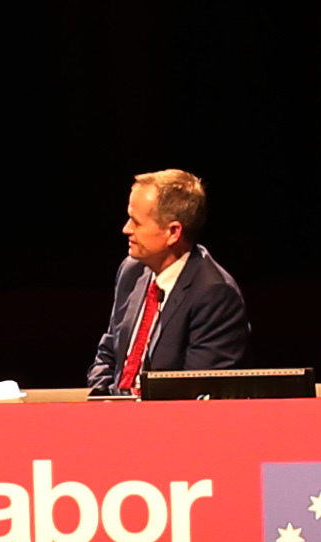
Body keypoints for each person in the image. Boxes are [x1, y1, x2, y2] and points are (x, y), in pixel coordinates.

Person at [84, 167, 249, 394]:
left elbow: (194, 391)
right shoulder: (131, 271)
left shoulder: (215, 294)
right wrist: (103, 400)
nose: (126, 229)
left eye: (136, 222)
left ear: (173, 232)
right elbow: (108, 353)